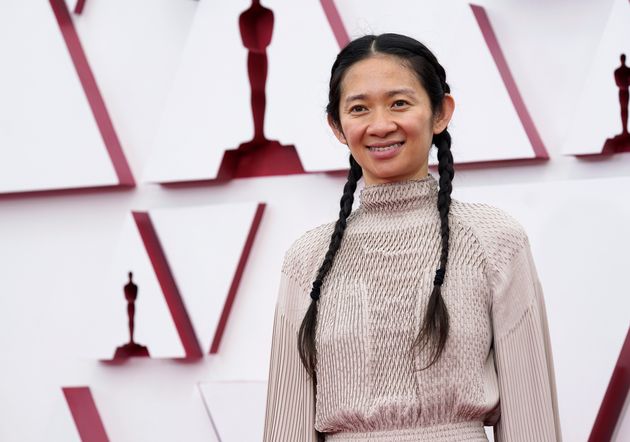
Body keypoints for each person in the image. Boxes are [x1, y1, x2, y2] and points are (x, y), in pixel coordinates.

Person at [263, 33, 562, 442]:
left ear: (441, 112)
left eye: (399, 103)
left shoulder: (494, 241)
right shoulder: (308, 259)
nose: (381, 124)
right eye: (359, 108)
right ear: (337, 126)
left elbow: (532, 419)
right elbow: (287, 427)